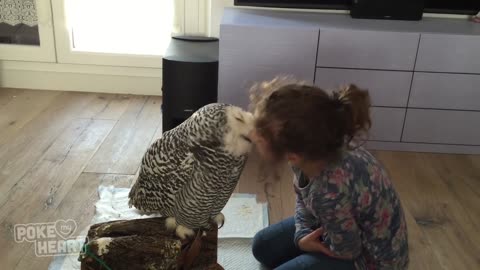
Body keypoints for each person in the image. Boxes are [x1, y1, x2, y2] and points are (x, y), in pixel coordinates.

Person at [248, 78, 409, 270]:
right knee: (262, 246)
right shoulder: (313, 151)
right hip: (337, 226)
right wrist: (302, 236)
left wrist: (307, 244)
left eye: (262, 135)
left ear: (292, 155)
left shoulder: (327, 192)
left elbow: (348, 250)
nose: (254, 135)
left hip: (367, 260)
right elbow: (303, 199)